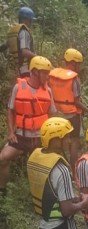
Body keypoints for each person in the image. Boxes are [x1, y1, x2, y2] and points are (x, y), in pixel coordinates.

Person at [0, 56, 56, 195]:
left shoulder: (48, 91)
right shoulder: (18, 88)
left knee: (47, 166)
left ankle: (44, 193)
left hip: (40, 138)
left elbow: (52, 116)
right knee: (3, 158)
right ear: (35, 72)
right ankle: (2, 189)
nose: (47, 76)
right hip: (21, 136)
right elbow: (11, 110)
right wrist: (11, 132)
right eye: (45, 72)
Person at [49, 48, 88, 169]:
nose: (79, 67)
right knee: (74, 142)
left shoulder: (53, 74)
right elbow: (76, 102)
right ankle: (73, 169)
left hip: (57, 114)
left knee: (58, 143)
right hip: (72, 116)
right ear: (73, 62)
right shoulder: (74, 79)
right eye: (79, 64)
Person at [7, 6, 36, 77]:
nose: (31, 23)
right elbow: (24, 51)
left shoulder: (14, 31)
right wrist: (36, 57)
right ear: (26, 20)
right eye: (30, 20)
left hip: (15, 68)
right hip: (25, 68)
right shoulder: (24, 32)